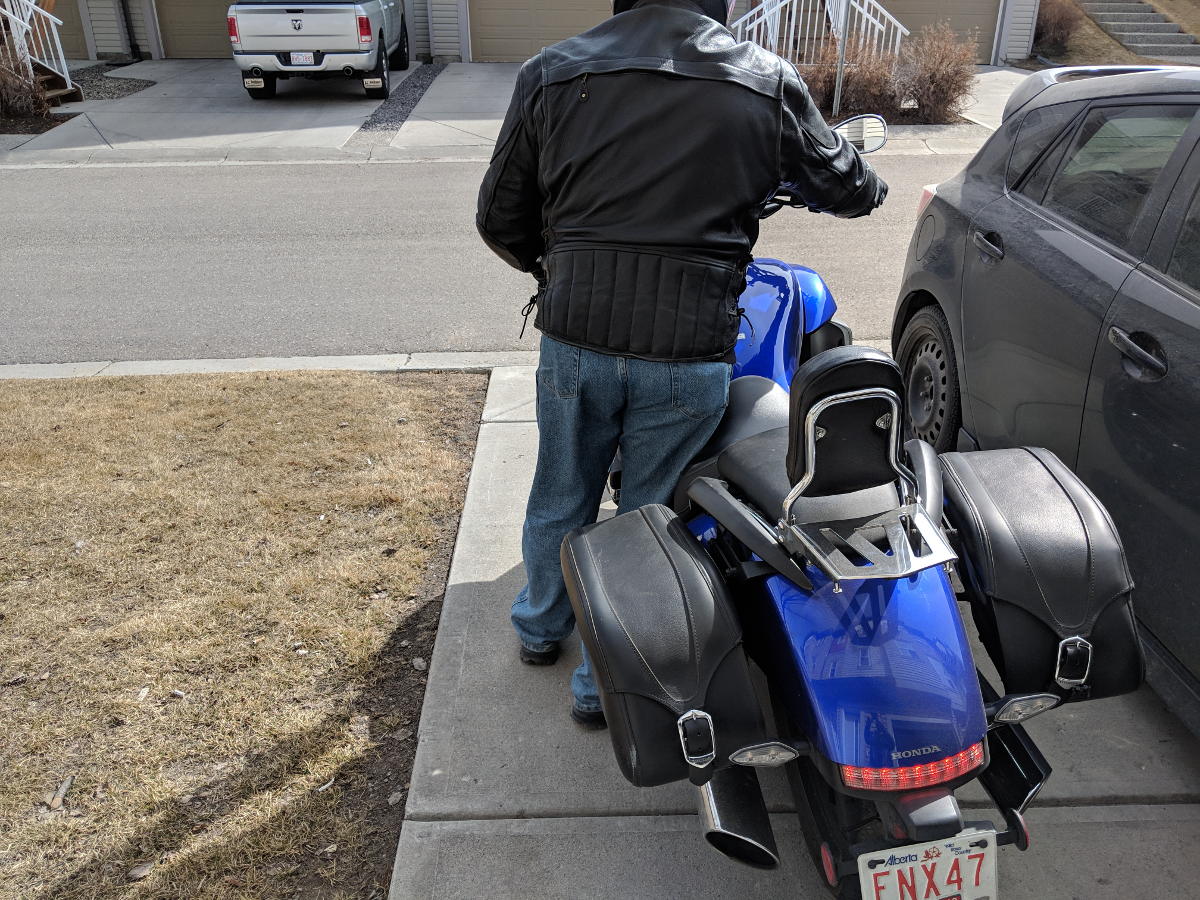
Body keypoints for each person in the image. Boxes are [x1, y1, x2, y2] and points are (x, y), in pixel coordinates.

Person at [476, 0, 888, 729]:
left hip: (577, 339)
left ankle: (540, 627)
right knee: (647, 517)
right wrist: (856, 174)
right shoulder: (765, 80)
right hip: (689, 349)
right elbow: (850, 188)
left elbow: (499, 218)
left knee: (560, 491)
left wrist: (562, 266)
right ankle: (603, 682)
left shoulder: (552, 70)